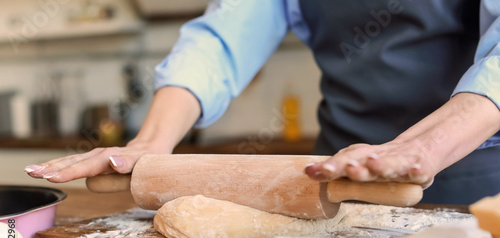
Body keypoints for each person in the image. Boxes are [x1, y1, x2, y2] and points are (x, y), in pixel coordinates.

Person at [25, 0, 500, 205]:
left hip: (471, 180)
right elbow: (222, 38)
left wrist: (427, 146)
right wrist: (150, 141)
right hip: (332, 175)